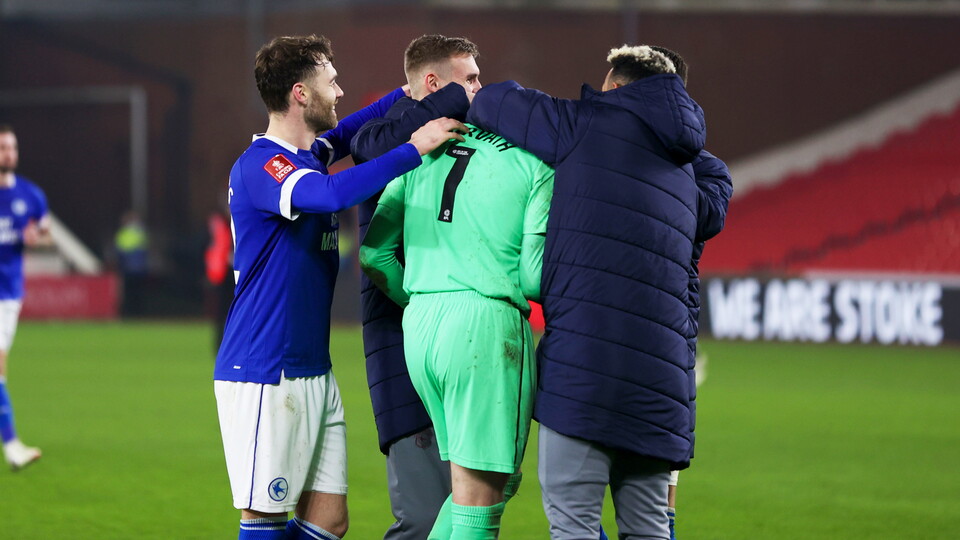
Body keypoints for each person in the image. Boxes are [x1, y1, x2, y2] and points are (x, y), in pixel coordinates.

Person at [213, 34, 465, 540]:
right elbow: (330, 195)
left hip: (313, 370)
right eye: (331, 82)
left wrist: (415, 92)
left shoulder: (309, 154)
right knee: (264, 521)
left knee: (330, 521)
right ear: (301, 94)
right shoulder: (265, 165)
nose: (340, 92)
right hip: (266, 368)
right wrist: (414, 147)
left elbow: (348, 132)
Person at [467, 46, 705, 539]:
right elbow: (713, 204)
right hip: (661, 391)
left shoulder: (583, 124)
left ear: (616, 88)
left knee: (573, 525)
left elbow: (492, 101)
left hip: (584, 378)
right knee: (649, 530)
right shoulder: (691, 170)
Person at [359, 119, 554, 539]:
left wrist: (417, 300)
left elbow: (374, 255)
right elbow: (534, 278)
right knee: (480, 501)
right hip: (485, 327)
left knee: (470, 490)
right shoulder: (533, 164)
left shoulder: (423, 152)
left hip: (422, 327)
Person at [350, 34, 479, 540]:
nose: (478, 89)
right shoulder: (381, 139)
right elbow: (371, 146)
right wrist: (431, 306)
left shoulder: (467, 140)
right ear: (432, 84)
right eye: (468, 78)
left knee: (470, 512)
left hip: (466, 349)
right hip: (403, 349)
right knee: (425, 521)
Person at [649, 46, 734, 540]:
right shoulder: (704, 170)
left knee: (655, 496)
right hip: (645, 345)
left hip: (659, 342)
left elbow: (700, 219)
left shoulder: (704, 170)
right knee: (583, 497)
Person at [0, 124, 52, 471]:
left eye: (12, 148)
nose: (9, 153)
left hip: (7, 295)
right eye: (3, 147)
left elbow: (47, 236)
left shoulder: (31, 195)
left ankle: (12, 444)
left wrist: (36, 239)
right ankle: (12, 445)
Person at [114, 210, 148, 317]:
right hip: (138, 268)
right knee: (137, 293)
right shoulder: (140, 232)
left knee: (130, 293)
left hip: (128, 268)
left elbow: (120, 252)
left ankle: (130, 314)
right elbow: (144, 250)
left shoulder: (123, 234)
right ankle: (138, 313)